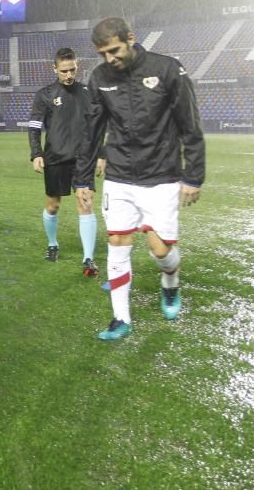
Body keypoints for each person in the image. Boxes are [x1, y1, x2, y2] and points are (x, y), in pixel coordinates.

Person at [75, 17, 205, 340]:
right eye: (103, 53)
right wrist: (82, 180)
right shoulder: (100, 78)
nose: (110, 59)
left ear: (131, 38)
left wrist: (194, 176)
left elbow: (190, 125)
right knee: (117, 244)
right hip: (119, 175)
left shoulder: (168, 70)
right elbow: (92, 131)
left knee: (160, 251)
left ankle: (170, 281)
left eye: (115, 50)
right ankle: (121, 319)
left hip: (161, 175)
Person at [28, 47, 105, 276]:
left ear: (77, 66)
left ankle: (88, 259)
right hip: (55, 158)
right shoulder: (45, 94)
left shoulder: (89, 92)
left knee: (86, 204)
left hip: (83, 159)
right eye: (64, 71)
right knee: (53, 206)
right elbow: (34, 127)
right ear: (55, 69)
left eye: (72, 70)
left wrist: (101, 154)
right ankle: (53, 244)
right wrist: (36, 153)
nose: (69, 75)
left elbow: (97, 127)